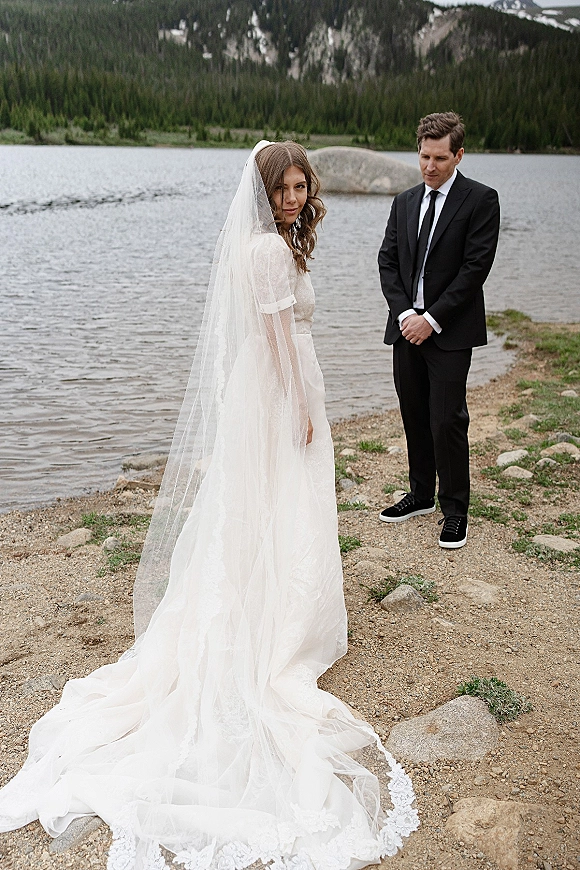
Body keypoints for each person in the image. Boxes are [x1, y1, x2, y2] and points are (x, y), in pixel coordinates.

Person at [0, 142, 418, 870]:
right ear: (264, 191)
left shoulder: (272, 242)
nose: (294, 198)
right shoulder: (265, 252)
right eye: (284, 188)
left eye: (300, 187)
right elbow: (278, 335)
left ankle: (286, 606)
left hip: (279, 382)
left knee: (278, 505)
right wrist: (300, 404)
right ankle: (280, 623)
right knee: (278, 500)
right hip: (281, 384)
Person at [378, 112, 500, 549]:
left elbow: (474, 270)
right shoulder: (404, 201)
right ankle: (421, 495)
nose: (430, 166)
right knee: (413, 411)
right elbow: (387, 262)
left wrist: (431, 319)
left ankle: (455, 510)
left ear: (459, 155)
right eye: (424, 157)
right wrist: (406, 314)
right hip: (406, 327)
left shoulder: (482, 200)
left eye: (440, 158)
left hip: (449, 330)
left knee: (447, 418)